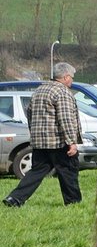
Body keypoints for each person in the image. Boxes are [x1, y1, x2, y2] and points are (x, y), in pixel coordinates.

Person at [3, 62, 83, 208]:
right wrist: (72, 142)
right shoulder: (62, 92)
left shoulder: (39, 90)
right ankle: (73, 202)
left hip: (39, 142)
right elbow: (65, 118)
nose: (72, 80)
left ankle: (14, 198)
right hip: (58, 142)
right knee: (68, 171)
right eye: (71, 77)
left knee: (36, 172)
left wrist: (34, 134)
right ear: (65, 77)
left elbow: (30, 114)